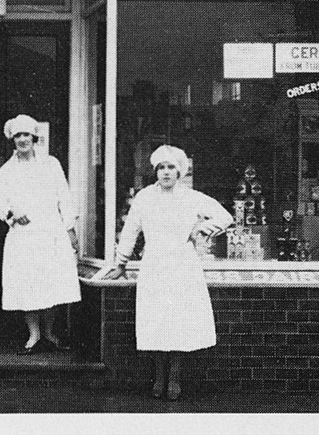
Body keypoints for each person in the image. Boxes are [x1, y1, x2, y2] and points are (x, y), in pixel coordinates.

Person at [96, 145, 233, 401]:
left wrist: (202, 229)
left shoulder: (191, 197)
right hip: (155, 264)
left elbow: (225, 217)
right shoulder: (145, 198)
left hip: (182, 264)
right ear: (155, 171)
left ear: (179, 171)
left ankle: (175, 377)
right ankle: (159, 375)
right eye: (161, 168)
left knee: (178, 321)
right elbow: (130, 231)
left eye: (171, 167)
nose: (166, 173)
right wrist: (121, 262)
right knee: (157, 320)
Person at [0, 114, 79, 352]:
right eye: (18, 135)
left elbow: (64, 196)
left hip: (51, 233)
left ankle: (49, 333)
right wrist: (12, 213)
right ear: (12, 139)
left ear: (34, 137)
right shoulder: (7, 170)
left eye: (26, 134)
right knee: (28, 283)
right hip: (24, 234)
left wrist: (69, 228)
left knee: (50, 282)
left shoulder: (51, 164)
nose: (22, 139)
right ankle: (33, 334)